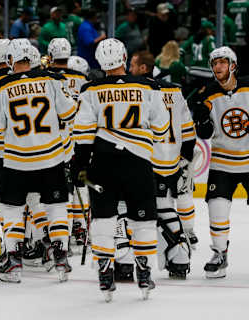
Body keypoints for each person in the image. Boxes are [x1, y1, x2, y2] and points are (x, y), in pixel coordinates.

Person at [73, 38, 169, 301]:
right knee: (144, 219)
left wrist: (79, 163)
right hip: (138, 164)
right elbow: (161, 128)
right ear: (125, 58)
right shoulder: (149, 86)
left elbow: (82, 131)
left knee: (103, 218)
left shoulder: (90, 88)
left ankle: (105, 270)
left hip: (102, 163)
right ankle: (144, 269)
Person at [0, 38, 77, 283]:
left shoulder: (1, 86)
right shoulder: (54, 80)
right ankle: (60, 256)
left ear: (10, 61)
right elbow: (69, 113)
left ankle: (13, 261)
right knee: (56, 207)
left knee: (12, 209)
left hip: (17, 160)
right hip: (52, 156)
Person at [190, 46, 249, 278]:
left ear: (232, 65)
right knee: (217, 208)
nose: (217, 67)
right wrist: (201, 122)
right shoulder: (207, 93)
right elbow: (206, 133)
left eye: (222, 62)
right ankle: (220, 254)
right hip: (223, 162)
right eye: (214, 64)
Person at [129, 49, 196, 278]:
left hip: (149, 159)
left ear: (144, 69)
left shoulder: (140, 91)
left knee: (139, 210)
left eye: (133, 66)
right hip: (171, 160)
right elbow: (188, 129)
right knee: (163, 207)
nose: (130, 70)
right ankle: (178, 257)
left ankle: (168, 254)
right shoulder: (175, 91)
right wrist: (183, 158)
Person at [47, 37, 90, 254]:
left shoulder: (47, 78)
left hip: (55, 140)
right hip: (79, 136)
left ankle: (59, 233)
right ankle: (80, 228)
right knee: (79, 184)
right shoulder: (82, 79)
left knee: (63, 189)